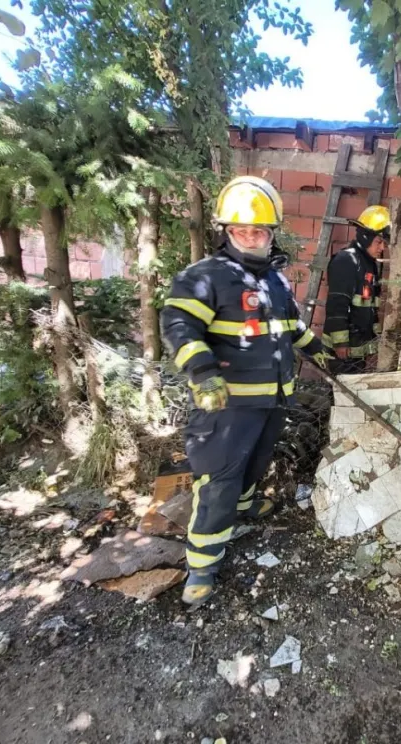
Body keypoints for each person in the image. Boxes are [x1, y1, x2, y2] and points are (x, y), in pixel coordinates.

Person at [161, 175, 332, 608]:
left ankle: (247, 507)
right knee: (218, 481)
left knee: (256, 463)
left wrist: (323, 354)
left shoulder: (274, 281)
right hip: (227, 405)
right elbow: (180, 326)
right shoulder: (204, 277)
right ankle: (202, 566)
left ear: (271, 233)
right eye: (241, 230)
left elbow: (291, 327)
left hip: (272, 400)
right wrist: (202, 372)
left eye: (258, 231)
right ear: (226, 231)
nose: (251, 237)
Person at [322, 205, 391, 375]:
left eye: (384, 243)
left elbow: (370, 306)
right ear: (366, 237)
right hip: (343, 350)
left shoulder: (369, 264)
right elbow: (337, 303)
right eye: (379, 242)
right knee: (342, 395)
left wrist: (376, 339)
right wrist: (340, 343)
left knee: (354, 392)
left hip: (358, 347)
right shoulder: (347, 260)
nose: (382, 248)